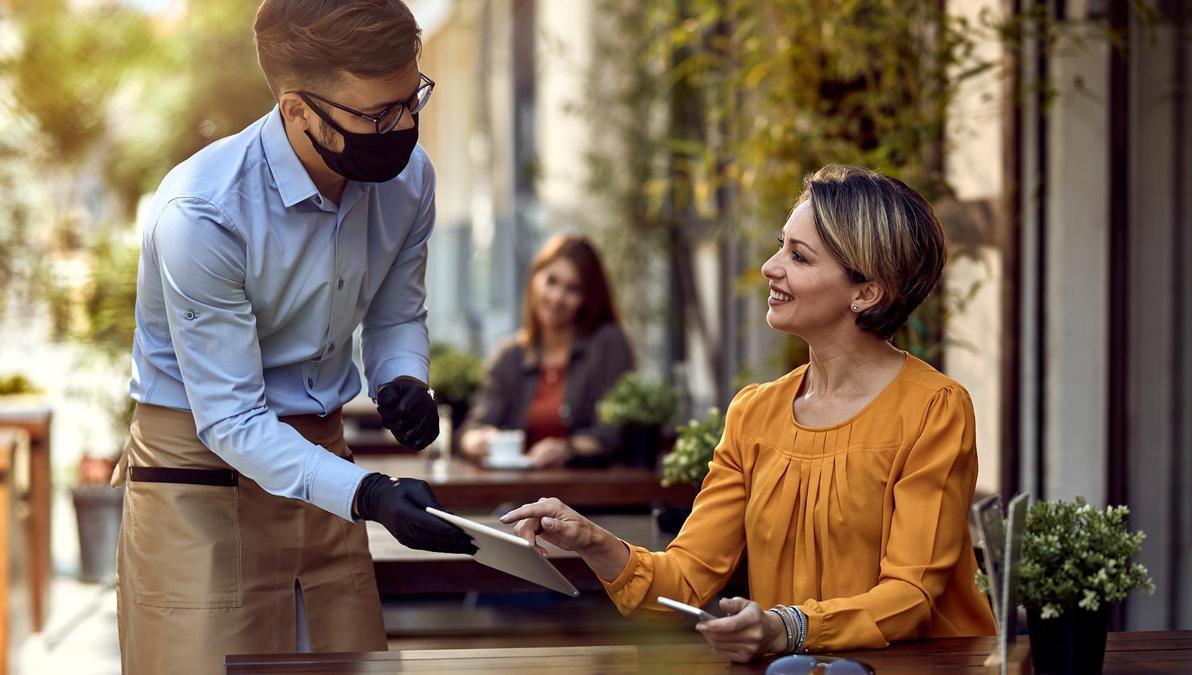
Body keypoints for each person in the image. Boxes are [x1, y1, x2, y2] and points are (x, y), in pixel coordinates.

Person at [500, 165, 997, 662]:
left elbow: (910, 596)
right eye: (781, 245)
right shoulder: (755, 413)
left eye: (798, 257)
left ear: (866, 292)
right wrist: (591, 540)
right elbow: (687, 579)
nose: (769, 266)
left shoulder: (933, 408)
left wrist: (789, 627)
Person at [114, 2, 476, 672]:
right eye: (374, 116)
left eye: (410, 100)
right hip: (197, 472)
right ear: (296, 110)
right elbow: (229, 416)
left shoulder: (409, 180)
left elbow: (397, 313)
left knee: (350, 662)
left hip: (323, 457)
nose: (400, 128)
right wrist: (368, 494)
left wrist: (403, 377)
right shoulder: (201, 213)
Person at [459, 235, 634, 468]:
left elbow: (613, 434)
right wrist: (477, 440)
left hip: (587, 494)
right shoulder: (509, 355)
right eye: (551, 281)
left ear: (588, 297)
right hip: (520, 494)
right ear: (534, 279)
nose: (557, 298)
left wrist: (567, 449)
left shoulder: (608, 345)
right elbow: (472, 429)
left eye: (573, 289)